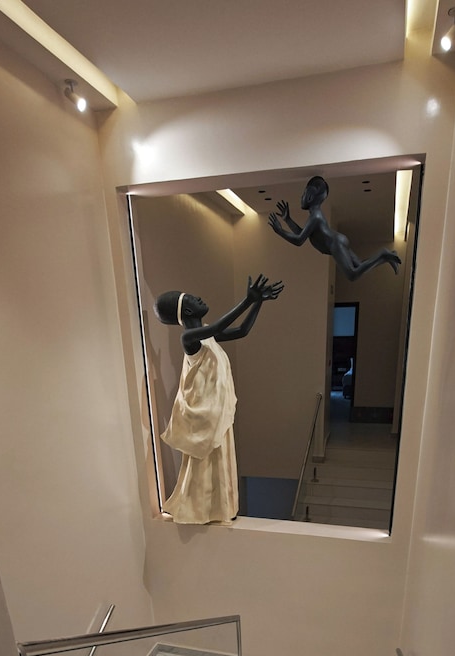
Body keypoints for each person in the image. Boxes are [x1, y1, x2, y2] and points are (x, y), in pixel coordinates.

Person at [154, 274, 283, 524]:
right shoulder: (189, 337)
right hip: (204, 417)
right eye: (192, 299)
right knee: (203, 464)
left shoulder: (205, 336)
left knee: (219, 461)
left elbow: (242, 330)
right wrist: (247, 300)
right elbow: (216, 328)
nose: (199, 298)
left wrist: (258, 302)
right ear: (187, 310)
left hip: (215, 413)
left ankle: (219, 508)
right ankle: (196, 508)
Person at [268, 175, 401, 281]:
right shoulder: (315, 216)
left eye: (303, 195)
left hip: (335, 244)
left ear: (309, 196)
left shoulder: (316, 216)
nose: (301, 198)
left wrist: (280, 231)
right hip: (337, 241)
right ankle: (387, 257)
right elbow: (302, 234)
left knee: (352, 274)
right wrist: (288, 220)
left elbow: (299, 240)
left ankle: (383, 254)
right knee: (359, 266)